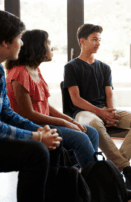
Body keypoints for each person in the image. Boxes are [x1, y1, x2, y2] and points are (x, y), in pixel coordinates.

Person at [63, 23, 131, 191]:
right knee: (94, 124)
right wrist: (100, 113)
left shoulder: (104, 67)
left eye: (99, 39)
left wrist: (111, 113)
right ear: (82, 41)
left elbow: (109, 94)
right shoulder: (71, 67)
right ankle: (126, 169)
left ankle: (113, 169)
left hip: (104, 110)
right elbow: (76, 99)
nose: (98, 43)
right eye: (94, 39)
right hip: (84, 112)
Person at [5, 29, 99, 169]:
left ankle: (78, 175)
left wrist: (71, 121)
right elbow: (28, 114)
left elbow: (46, 107)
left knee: (91, 132)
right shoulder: (20, 73)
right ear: (37, 47)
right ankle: (97, 182)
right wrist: (65, 123)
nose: (52, 47)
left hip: (45, 123)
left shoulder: (35, 70)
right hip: (33, 127)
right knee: (81, 138)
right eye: (48, 43)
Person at [0, 11, 62, 202]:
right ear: (5, 42)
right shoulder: (17, 72)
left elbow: (7, 113)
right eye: (19, 38)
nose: (22, 43)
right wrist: (36, 137)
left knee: (54, 141)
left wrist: (40, 131)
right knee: (38, 151)